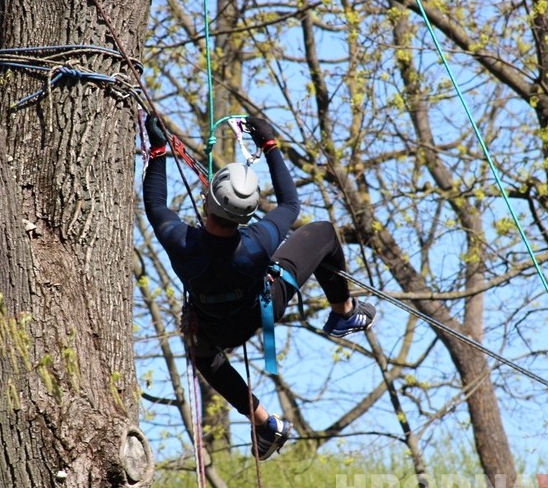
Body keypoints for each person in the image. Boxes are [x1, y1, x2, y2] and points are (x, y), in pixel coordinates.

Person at [142, 114, 376, 460]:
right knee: (324, 232)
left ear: (208, 201)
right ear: (247, 214)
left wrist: (158, 149)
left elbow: (156, 206)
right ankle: (344, 313)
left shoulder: (181, 243)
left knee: (200, 352)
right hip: (261, 309)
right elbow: (290, 205)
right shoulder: (257, 242)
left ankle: (265, 424)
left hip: (214, 328)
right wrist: (269, 144)